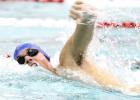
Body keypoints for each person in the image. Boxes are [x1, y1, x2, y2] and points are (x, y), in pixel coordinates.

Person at [13, 1, 140, 94]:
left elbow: (78, 43)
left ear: (43, 54)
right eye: (21, 60)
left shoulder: (65, 64)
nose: (28, 58)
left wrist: (86, 19)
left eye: (31, 52)